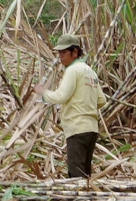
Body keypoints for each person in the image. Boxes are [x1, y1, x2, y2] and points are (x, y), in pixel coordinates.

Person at [34, 34, 107, 178]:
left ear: (75, 52)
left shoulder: (72, 71)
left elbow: (62, 96)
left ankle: (79, 200)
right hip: (91, 129)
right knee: (85, 173)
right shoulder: (90, 71)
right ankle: (87, 198)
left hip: (77, 128)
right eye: (59, 53)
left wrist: (43, 93)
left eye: (64, 52)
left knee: (76, 175)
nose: (60, 56)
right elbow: (101, 100)